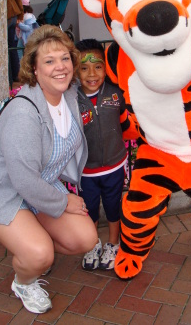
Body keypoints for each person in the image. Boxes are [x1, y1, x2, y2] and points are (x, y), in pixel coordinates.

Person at [0, 25, 98, 314]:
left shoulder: (69, 94)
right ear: (34, 69)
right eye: (49, 61)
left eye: (65, 58)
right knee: (40, 254)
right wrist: (64, 201)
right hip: (0, 189)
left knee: (85, 239)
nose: (60, 67)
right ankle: (24, 280)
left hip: (40, 183)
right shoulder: (25, 113)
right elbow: (23, 179)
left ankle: (32, 243)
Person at [75, 39, 137, 271]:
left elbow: (126, 122)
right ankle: (93, 244)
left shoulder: (116, 93)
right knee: (89, 209)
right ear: (74, 70)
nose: (92, 73)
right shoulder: (71, 100)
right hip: (86, 171)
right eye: (84, 67)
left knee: (113, 206)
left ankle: (113, 243)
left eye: (98, 66)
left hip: (114, 167)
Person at [6, 0, 24, 82]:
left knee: (7, 48)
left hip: (7, 16)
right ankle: (15, 75)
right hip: (13, 15)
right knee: (11, 47)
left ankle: (10, 78)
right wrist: (20, 15)